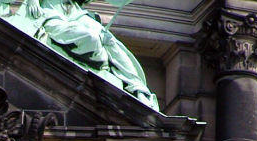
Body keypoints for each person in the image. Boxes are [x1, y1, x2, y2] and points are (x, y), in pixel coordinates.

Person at [26, 0, 158, 109]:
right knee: (91, 38)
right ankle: (100, 64)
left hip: (76, 14)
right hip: (53, 15)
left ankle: (139, 91)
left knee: (109, 40)